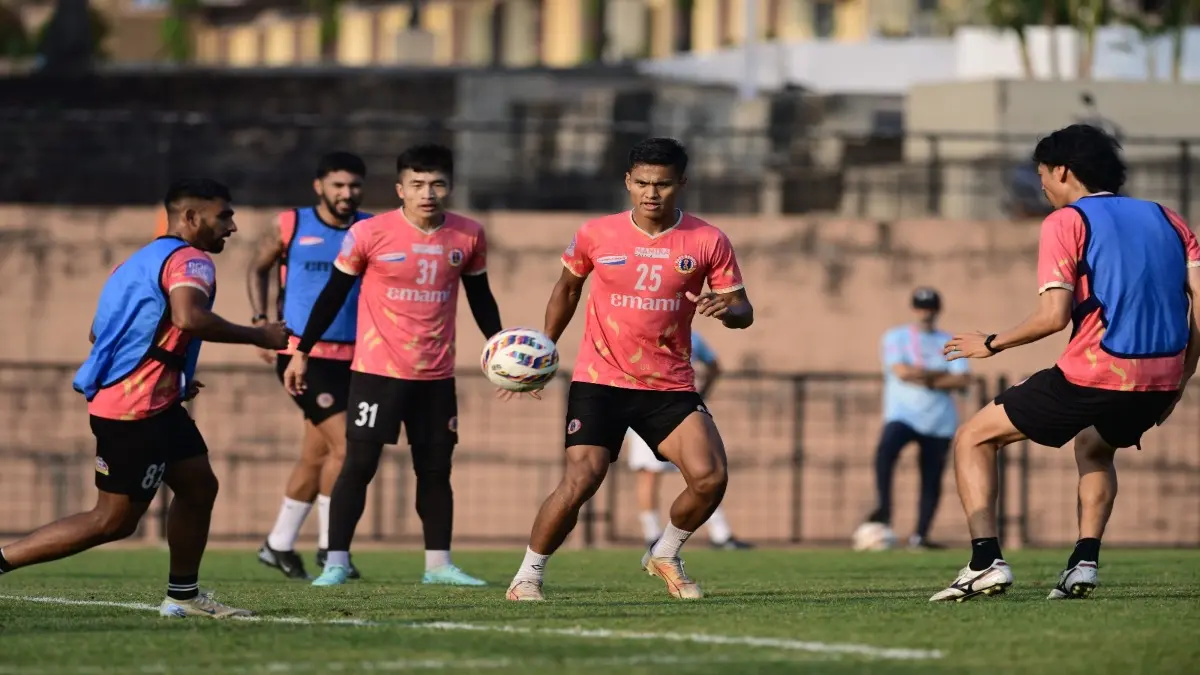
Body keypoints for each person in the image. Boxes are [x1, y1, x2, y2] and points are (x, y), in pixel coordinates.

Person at [933, 124, 1200, 602]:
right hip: (1160, 377)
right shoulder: (1170, 219)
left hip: (1096, 371)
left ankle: (983, 561)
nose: (1040, 185)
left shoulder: (1066, 221)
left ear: (1062, 170)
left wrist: (990, 343)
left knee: (973, 438)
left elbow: (1052, 317)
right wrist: (1179, 380)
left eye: (1042, 174)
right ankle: (1083, 563)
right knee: (1095, 447)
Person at [0, 179, 291, 618]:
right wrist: (259, 334)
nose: (232, 227)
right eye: (224, 216)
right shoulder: (192, 261)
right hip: (135, 410)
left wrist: (169, 374)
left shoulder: (136, 262)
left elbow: (102, 333)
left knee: (198, 486)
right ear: (191, 218)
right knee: (112, 521)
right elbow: (189, 317)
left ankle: (184, 596)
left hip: (155, 402)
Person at [506, 137, 754, 602]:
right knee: (582, 478)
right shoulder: (596, 233)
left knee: (710, 477)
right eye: (641, 182)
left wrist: (729, 308)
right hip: (600, 380)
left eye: (662, 183)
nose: (651, 193)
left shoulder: (707, 240)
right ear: (627, 181)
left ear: (681, 183)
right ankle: (527, 577)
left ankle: (665, 552)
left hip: (669, 384)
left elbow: (743, 309)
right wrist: (544, 350)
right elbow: (566, 289)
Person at [284, 143, 502, 588]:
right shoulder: (371, 234)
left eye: (437, 184)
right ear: (400, 188)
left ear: (450, 187)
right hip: (376, 372)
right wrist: (301, 350)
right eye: (418, 184)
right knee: (358, 465)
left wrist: (500, 352)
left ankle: (439, 565)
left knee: (436, 470)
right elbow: (332, 294)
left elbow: (481, 298)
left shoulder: (468, 235)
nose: (428, 193)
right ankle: (337, 561)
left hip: (436, 378)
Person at [248, 152, 372, 581]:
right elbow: (258, 267)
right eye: (338, 185)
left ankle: (277, 545)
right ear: (319, 186)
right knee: (347, 448)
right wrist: (262, 322)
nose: (346, 193)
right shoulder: (291, 224)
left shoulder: (372, 229)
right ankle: (329, 548)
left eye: (354, 185)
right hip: (303, 356)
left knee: (316, 454)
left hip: (356, 356)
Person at [862, 287, 970, 550]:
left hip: (939, 421)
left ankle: (920, 535)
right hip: (903, 414)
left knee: (931, 479)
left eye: (930, 307)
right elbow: (901, 372)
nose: (926, 313)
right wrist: (939, 377)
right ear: (914, 309)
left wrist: (923, 374)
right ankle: (885, 508)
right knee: (886, 452)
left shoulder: (949, 341)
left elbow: (963, 378)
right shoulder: (896, 336)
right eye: (922, 307)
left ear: (937, 310)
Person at [627, 330, 752, 550]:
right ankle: (652, 535)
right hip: (644, 410)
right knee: (649, 473)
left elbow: (714, 366)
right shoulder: (640, 332)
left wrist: (701, 394)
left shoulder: (691, 336)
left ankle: (720, 534)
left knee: (703, 472)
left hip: (683, 410)